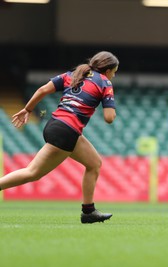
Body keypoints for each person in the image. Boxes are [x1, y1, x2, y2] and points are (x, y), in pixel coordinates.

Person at [0, 51, 119, 224]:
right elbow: (109, 118)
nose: (114, 75)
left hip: (56, 125)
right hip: (66, 131)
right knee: (32, 172)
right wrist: (110, 105)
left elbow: (42, 90)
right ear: (107, 70)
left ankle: (88, 211)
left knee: (94, 163)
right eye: (114, 71)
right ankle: (88, 212)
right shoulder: (104, 82)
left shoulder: (73, 74)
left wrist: (28, 109)